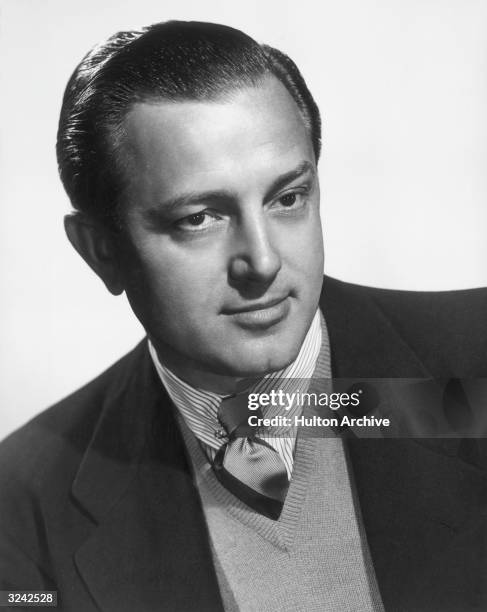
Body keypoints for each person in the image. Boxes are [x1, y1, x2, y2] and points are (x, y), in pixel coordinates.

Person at [1, 20, 486, 612]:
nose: (261, 261)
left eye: (287, 198)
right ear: (102, 251)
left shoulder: (475, 364)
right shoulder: (22, 510)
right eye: (199, 218)